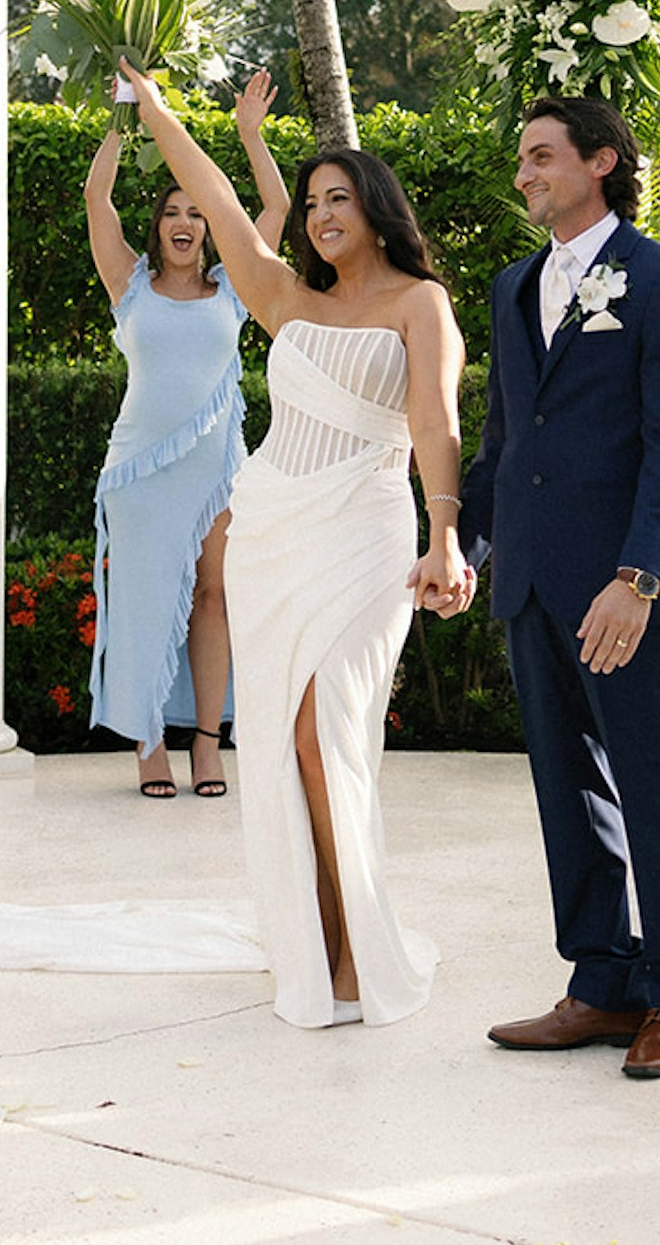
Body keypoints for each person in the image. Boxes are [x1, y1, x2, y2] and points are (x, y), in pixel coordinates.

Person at [121, 62, 472, 1030]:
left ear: (377, 208)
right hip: (273, 529)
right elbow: (229, 205)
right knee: (279, 744)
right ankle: (317, 947)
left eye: (339, 197)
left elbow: (436, 421)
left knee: (329, 735)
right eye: (312, 199)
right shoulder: (284, 295)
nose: (320, 213)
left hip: (365, 534)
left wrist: (446, 534)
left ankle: (359, 947)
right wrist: (158, 115)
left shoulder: (419, 302)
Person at [462, 95, 660, 1084]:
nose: (524, 172)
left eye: (541, 155)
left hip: (622, 589)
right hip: (530, 578)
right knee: (568, 791)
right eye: (521, 157)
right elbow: (503, 440)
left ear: (601, 161)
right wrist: (456, 541)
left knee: (654, 788)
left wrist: (639, 576)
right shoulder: (512, 285)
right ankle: (602, 981)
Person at [84, 69, 289, 801]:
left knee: (214, 595)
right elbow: (96, 197)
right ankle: (147, 740)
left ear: (208, 226)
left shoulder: (235, 285)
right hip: (141, 469)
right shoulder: (129, 283)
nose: (186, 220)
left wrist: (250, 135)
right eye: (173, 210)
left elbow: (274, 205)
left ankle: (208, 741)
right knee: (143, 598)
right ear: (159, 225)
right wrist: (124, 115)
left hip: (217, 464)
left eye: (197, 211)